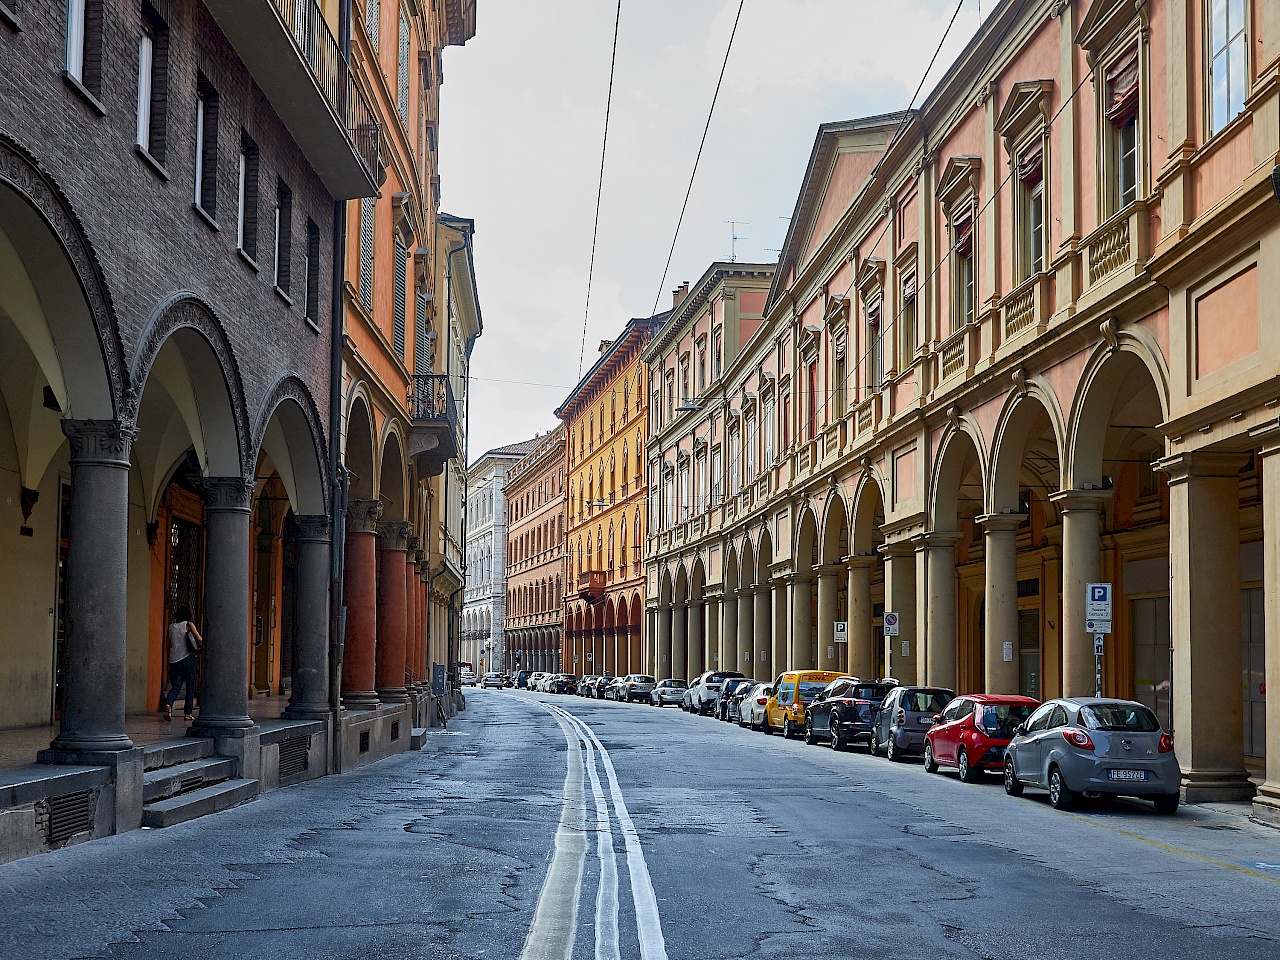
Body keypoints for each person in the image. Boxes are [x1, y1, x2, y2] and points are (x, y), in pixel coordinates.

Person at [165, 606, 202, 722]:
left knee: (176, 686)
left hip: (174, 660)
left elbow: (168, 643)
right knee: (190, 687)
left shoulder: (171, 627)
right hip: (188, 658)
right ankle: (187, 713)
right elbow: (198, 638)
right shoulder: (188, 624)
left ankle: (169, 703)